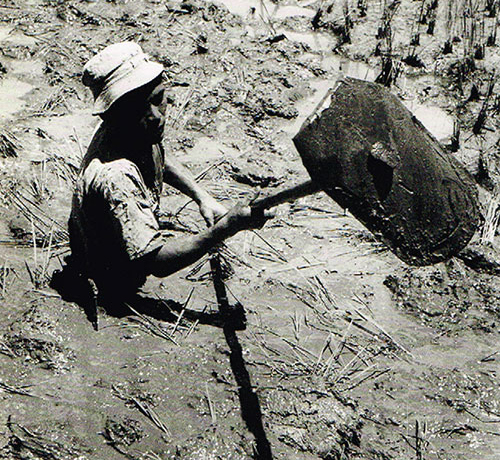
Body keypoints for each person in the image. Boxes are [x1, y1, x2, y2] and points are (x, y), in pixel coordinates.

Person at [52, 42, 271, 323]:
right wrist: (227, 227)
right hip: (112, 280)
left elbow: (160, 158)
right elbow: (157, 263)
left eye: (159, 99)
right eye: (140, 109)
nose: (156, 116)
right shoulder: (116, 175)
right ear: (112, 115)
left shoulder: (135, 126)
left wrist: (201, 196)